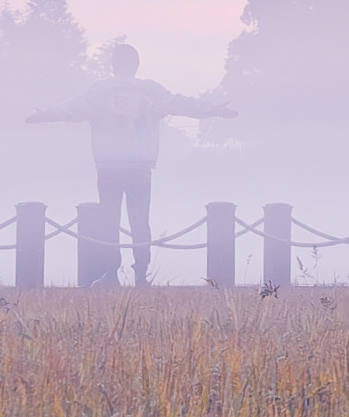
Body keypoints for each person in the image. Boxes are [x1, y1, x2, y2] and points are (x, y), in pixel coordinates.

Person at [37, 39, 222, 272]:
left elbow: (73, 108)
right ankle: (141, 273)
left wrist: (45, 114)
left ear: (113, 64)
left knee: (109, 222)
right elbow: (181, 103)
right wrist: (214, 110)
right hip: (140, 166)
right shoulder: (151, 90)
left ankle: (109, 271)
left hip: (108, 166)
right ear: (137, 64)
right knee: (140, 222)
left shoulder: (100, 90)